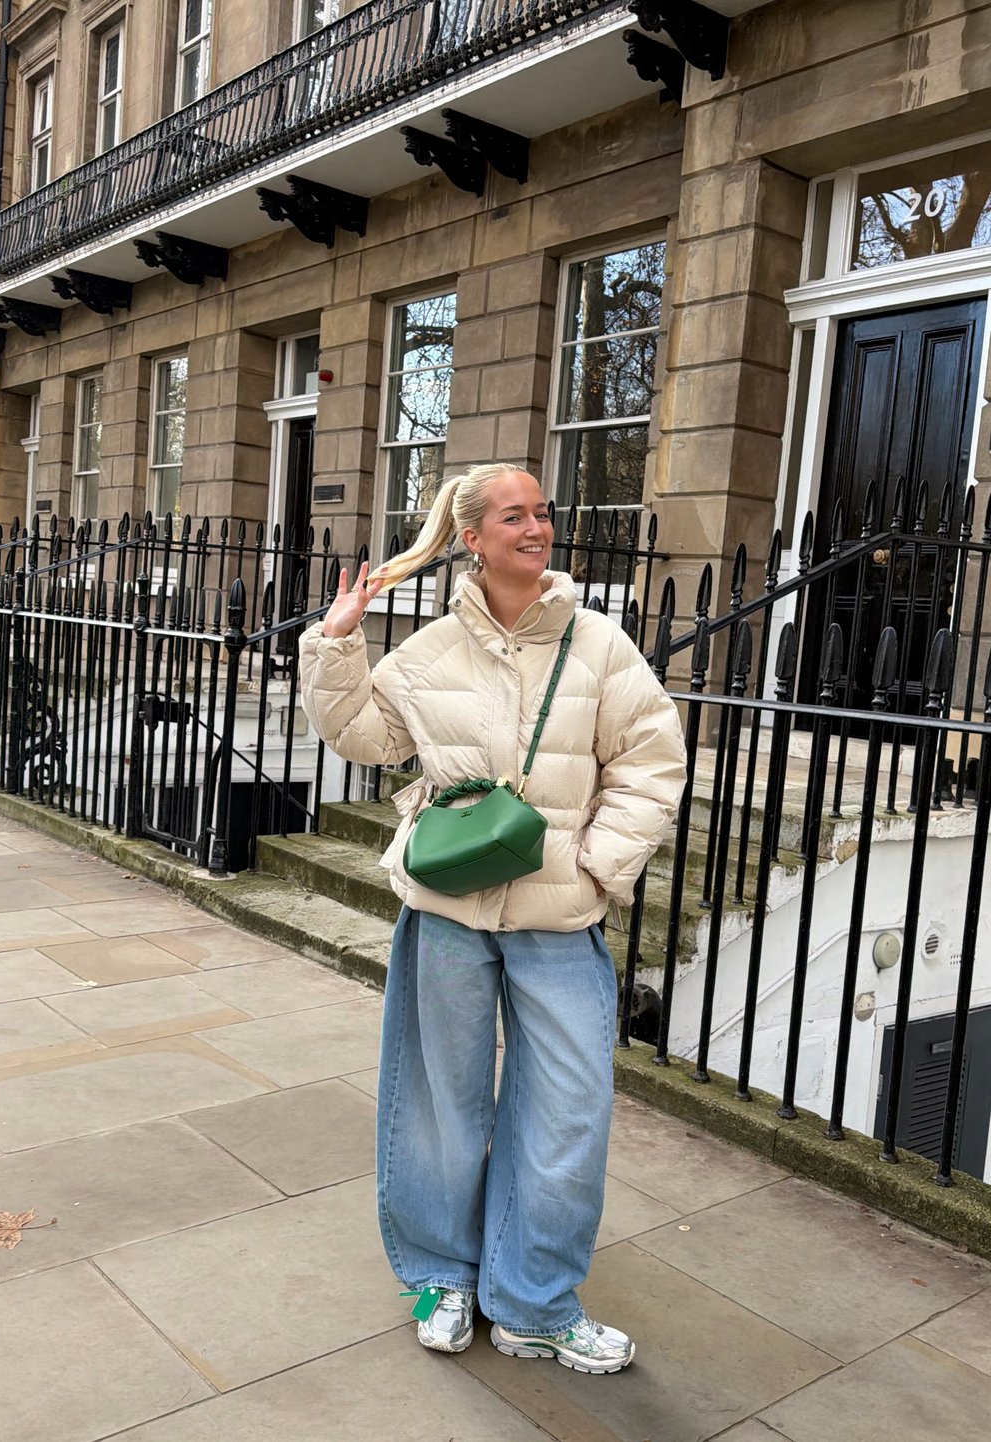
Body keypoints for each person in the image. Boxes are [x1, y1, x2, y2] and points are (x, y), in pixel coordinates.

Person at [299, 463, 686, 1374]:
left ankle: (535, 1302)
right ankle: (443, 1275)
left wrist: (598, 864)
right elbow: (368, 737)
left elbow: (650, 761)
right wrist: (336, 645)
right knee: (439, 1103)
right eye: (516, 516)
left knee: (566, 1114)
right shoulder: (430, 650)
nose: (537, 528)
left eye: (543, 513)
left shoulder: (600, 645)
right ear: (472, 537)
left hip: (560, 919)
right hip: (448, 909)